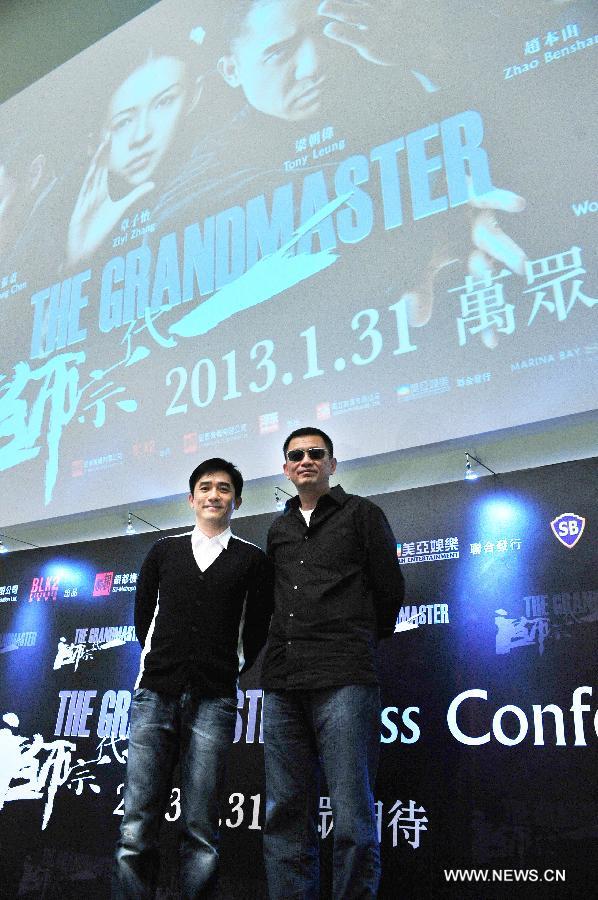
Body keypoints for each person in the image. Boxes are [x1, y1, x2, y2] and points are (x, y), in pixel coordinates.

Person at [113, 458, 272, 898]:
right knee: (136, 826)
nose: (214, 495)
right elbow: (144, 618)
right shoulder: (163, 552)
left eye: (224, 489)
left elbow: (256, 629)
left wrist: (226, 667)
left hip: (215, 699)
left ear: (236, 500)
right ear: (191, 498)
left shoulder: (251, 560)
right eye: (205, 487)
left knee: (201, 829)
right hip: (154, 695)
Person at [261, 427, 404, 898]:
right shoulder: (278, 529)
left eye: (315, 453)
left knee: (351, 815)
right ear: (285, 468)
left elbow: (390, 591)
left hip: (344, 676)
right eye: (295, 455)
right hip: (283, 682)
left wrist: (355, 640)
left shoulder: (363, 514)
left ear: (332, 464)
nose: (305, 460)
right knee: (284, 813)